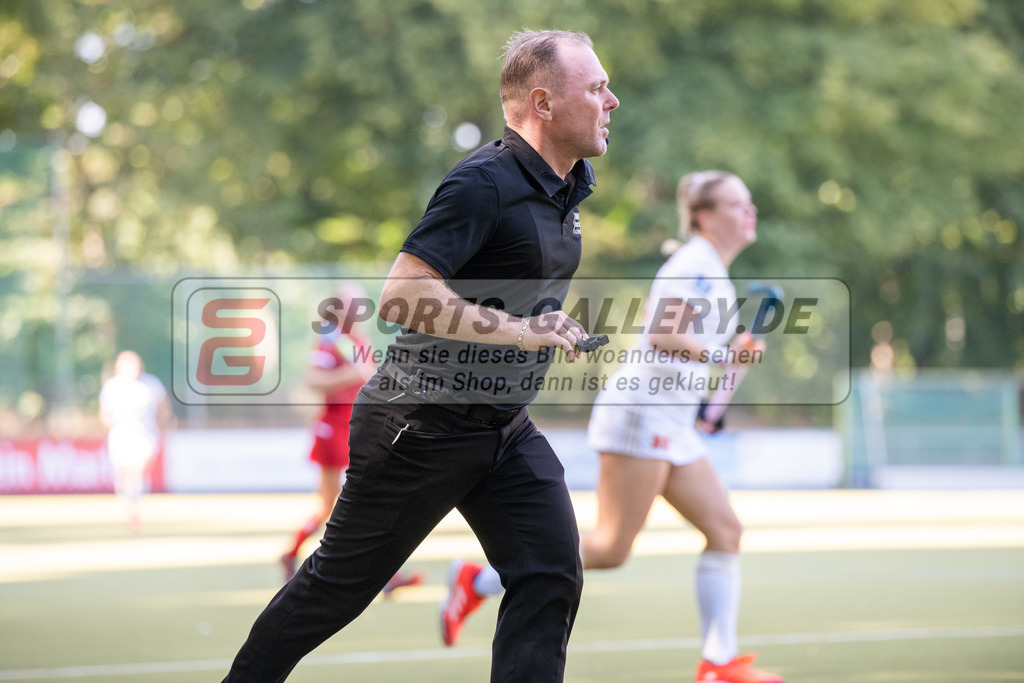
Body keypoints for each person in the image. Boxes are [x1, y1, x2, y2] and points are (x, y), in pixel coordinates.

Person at [222, 28, 617, 683]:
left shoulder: (571, 185)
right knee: (334, 589)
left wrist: (542, 326)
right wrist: (516, 329)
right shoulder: (482, 182)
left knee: (551, 568)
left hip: (502, 426)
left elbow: (506, 284)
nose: (613, 100)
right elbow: (402, 294)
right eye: (597, 88)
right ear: (544, 104)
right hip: (419, 424)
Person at [439, 171, 785, 683]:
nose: (749, 210)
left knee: (724, 530)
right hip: (641, 416)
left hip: (669, 419)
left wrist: (711, 400)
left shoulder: (708, 267)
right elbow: (664, 333)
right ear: (705, 217)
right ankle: (478, 579)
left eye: (749, 201)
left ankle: (718, 663)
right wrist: (722, 352)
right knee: (608, 549)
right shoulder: (696, 263)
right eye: (738, 203)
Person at [280, 283, 424, 593]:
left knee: (364, 501)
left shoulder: (356, 340)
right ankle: (296, 555)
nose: (357, 309)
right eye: (350, 303)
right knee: (332, 507)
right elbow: (312, 380)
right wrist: (352, 374)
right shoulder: (329, 342)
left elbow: (371, 378)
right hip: (333, 430)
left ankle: (382, 574)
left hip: (358, 429)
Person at [98, 350, 170, 530]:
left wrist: (163, 422)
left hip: (145, 436)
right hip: (121, 437)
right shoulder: (112, 387)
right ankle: (132, 508)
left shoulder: (151, 383)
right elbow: (104, 413)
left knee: (138, 471)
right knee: (125, 478)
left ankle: (135, 511)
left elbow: (163, 405)